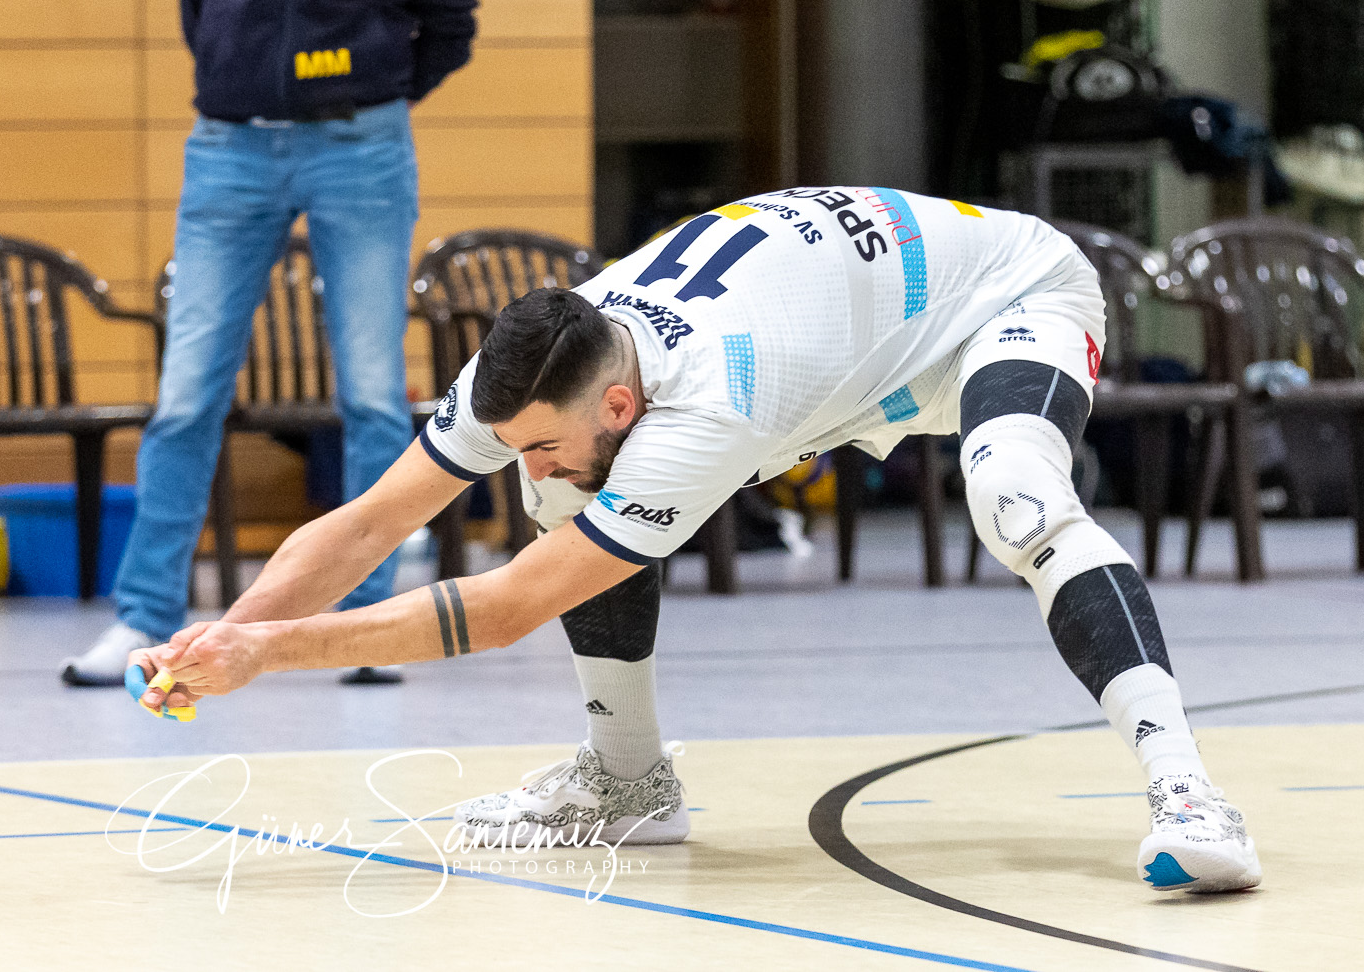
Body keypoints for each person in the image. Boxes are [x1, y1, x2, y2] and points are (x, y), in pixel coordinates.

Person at [131, 187, 1262, 895]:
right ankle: (627, 784)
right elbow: (372, 520)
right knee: (565, 507)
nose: (520, 457)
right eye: (509, 439)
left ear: (618, 406)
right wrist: (221, 636)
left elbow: (509, 606)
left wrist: (271, 658)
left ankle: (1189, 796)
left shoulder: (706, 400)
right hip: (852, 336)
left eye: (541, 440)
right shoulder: (530, 365)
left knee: (1013, 493)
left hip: (1004, 292)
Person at [62, 0, 478, 685]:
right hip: (229, 149)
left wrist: (365, 90)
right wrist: (247, 84)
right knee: (185, 392)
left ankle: (373, 625)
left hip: (361, 148)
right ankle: (143, 615)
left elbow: (450, 20)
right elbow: (196, 1)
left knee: (375, 396)